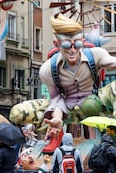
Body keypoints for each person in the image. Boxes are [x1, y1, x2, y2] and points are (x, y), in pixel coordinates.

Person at [40, 14, 116, 144]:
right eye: (66, 44)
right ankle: (53, 141)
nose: (73, 49)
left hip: (96, 102)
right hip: (67, 109)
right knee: (19, 112)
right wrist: (57, 118)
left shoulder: (95, 55)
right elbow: (56, 99)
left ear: (83, 40)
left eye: (78, 43)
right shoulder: (47, 69)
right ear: (56, 44)